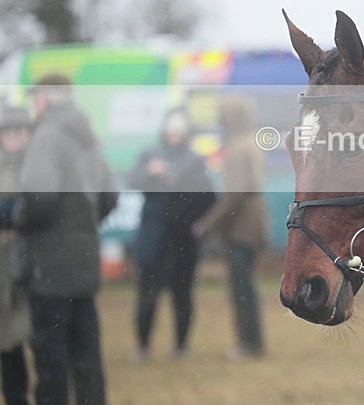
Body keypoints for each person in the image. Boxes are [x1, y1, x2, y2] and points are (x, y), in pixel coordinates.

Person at [14, 74, 118, 405]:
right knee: (87, 360)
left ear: (46, 97)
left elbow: (38, 198)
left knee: (51, 362)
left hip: (49, 269)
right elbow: (110, 197)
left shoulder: (47, 136)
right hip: (84, 264)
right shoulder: (88, 136)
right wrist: (81, 226)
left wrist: (18, 219)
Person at [128, 107, 215, 362]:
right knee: (147, 297)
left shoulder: (195, 161)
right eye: (171, 128)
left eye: (180, 128)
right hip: (152, 240)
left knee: (182, 297)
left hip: (183, 242)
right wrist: (150, 172)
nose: (175, 133)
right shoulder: (149, 156)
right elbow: (133, 181)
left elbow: (208, 198)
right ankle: (142, 346)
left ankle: (180, 347)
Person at [194, 96, 268, 359]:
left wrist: (207, 224)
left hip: (241, 225)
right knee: (247, 286)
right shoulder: (250, 143)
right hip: (252, 222)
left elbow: (233, 196)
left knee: (242, 289)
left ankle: (249, 344)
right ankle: (253, 342)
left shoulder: (237, 148)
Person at [0, 107, 33, 405]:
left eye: (19, 130)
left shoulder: (38, 165)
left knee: (42, 337)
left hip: (34, 262)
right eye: (7, 131)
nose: (13, 136)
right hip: (3, 268)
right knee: (8, 343)